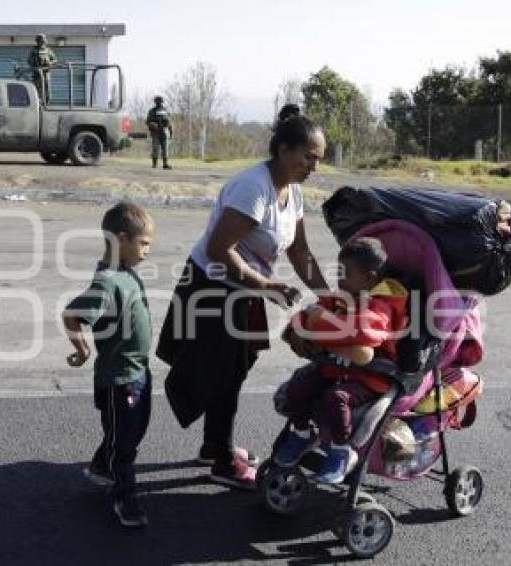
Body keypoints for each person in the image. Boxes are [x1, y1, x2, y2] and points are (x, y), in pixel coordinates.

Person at [156, 114, 328, 490]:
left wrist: (333, 295)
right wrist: (268, 285)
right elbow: (219, 250)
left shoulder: (293, 192)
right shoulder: (253, 187)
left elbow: (300, 252)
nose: (315, 166)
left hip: (244, 289)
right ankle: (221, 458)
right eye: (309, 157)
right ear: (284, 150)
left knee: (235, 368)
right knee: (223, 373)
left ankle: (213, 444)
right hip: (212, 287)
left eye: (319, 159)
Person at [275, 237, 409, 483]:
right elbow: (306, 314)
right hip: (334, 367)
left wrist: (318, 326)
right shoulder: (342, 297)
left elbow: (363, 331)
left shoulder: (383, 304)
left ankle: (341, 450)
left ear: (369, 278)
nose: (339, 280)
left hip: (371, 376)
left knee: (336, 399)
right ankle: (303, 432)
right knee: (298, 386)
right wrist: (297, 330)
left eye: (345, 274)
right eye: (338, 272)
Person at [62, 201, 155, 528]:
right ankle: (123, 496)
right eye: (143, 243)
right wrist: (82, 349)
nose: (147, 251)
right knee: (125, 441)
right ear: (120, 240)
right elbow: (71, 314)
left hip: (138, 371)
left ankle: (103, 466)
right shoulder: (106, 282)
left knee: (133, 430)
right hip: (120, 379)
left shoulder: (125, 273)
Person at [28, 33, 57, 104]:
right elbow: (29, 61)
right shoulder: (33, 50)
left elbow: (55, 60)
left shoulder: (48, 50)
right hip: (37, 73)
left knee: (47, 88)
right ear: (37, 41)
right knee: (37, 89)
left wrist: (50, 63)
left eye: (43, 41)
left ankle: (47, 101)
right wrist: (34, 66)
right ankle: (38, 102)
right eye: (40, 41)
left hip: (46, 72)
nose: (42, 42)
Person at [146, 96, 173, 169]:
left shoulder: (166, 110)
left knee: (165, 149)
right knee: (155, 148)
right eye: (158, 102)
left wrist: (171, 132)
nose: (159, 103)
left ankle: (165, 164)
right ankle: (154, 164)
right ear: (155, 102)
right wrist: (153, 125)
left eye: (160, 102)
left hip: (165, 131)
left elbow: (170, 122)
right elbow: (148, 122)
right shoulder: (152, 111)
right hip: (156, 132)